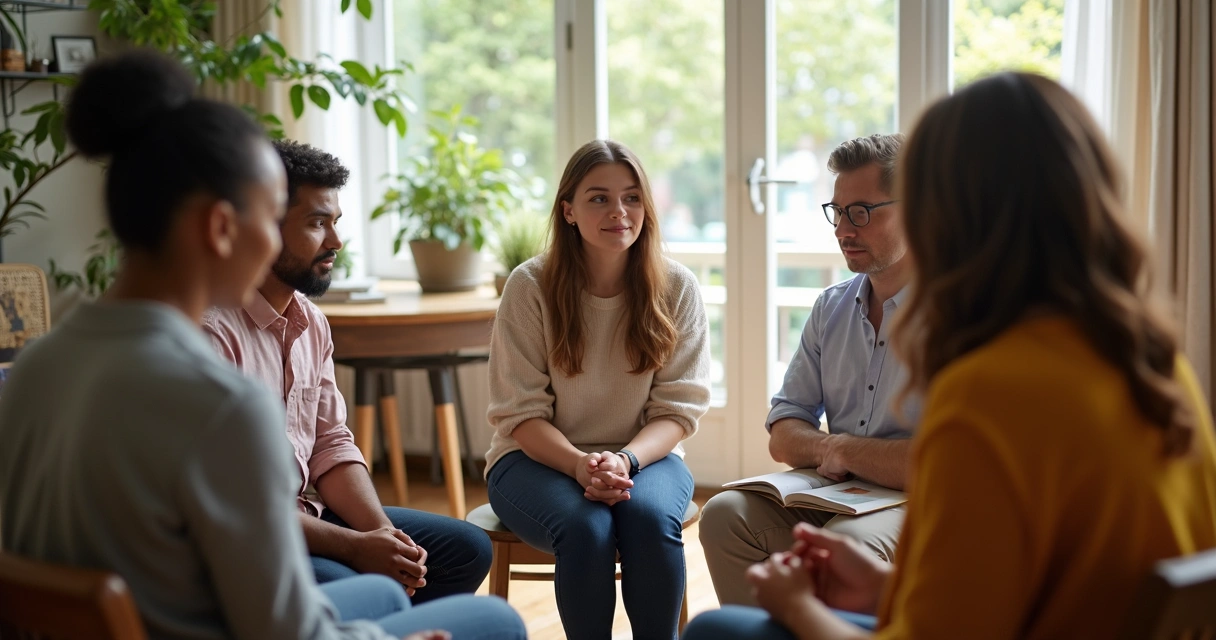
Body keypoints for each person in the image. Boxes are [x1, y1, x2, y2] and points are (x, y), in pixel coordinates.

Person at [0, 50, 524, 640]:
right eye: (271, 211)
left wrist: (371, 543)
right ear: (221, 228)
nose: (334, 241)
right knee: (494, 621)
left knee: (382, 587)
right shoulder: (216, 401)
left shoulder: (34, 367)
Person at [682, 72, 1216, 640]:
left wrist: (796, 607)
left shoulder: (988, 387)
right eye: (838, 212)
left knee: (717, 632)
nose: (845, 228)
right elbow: (1038, 586)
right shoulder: (1150, 361)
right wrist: (889, 586)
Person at [202, 139, 492, 602]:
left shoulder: (311, 321)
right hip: (249, 536)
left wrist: (382, 536)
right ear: (262, 226)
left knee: (467, 549)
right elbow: (231, 503)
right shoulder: (212, 334)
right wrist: (357, 548)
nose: (335, 242)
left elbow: (330, 444)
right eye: (317, 223)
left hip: (305, 512)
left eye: (335, 223)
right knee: (371, 588)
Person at [485, 139, 712, 640]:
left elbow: (678, 409)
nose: (619, 211)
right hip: (531, 459)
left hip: (644, 458)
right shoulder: (529, 286)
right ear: (568, 210)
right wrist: (577, 464)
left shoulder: (677, 287)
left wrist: (624, 461)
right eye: (599, 198)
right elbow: (519, 413)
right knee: (587, 527)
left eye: (632, 197)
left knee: (650, 520)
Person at [700, 133, 919, 607]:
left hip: (916, 503)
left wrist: (840, 448)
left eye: (861, 211)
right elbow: (783, 433)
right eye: (837, 212)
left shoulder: (961, 317)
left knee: (849, 544)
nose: (843, 229)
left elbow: (937, 466)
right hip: (840, 489)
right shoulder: (831, 307)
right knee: (723, 513)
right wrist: (835, 450)